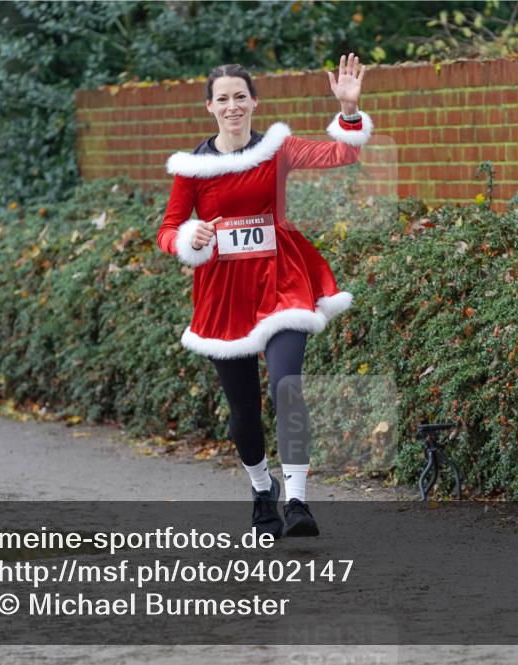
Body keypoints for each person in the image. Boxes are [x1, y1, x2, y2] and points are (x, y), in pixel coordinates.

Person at [156, 54, 372, 538]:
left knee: (286, 386)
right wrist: (187, 239)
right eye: (222, 99)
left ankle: (297, 501)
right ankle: (261, 490)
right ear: (210, 107)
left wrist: (350, 110)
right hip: (224, 294)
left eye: (240, 97)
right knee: (243, 411)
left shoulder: (277, 148)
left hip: (282, 284)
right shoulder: (193, 168)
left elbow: (342, 154)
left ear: (254, 102)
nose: (232, 106)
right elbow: (167, 229)